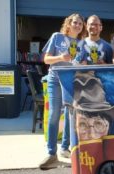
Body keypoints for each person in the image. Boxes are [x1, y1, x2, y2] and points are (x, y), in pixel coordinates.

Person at [39, 13, 86, 170]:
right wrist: (61, 57)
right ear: (68, 23)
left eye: (80, 23)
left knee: (70, 114)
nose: (77, 25)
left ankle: (66, 148)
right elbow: (46, 59)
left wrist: (81, 64)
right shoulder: (57, 37)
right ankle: (51, 153)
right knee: (54, 114)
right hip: (54, 77)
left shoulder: (81, 43)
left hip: (71, 79)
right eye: (75, 22)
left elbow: (83, 63)